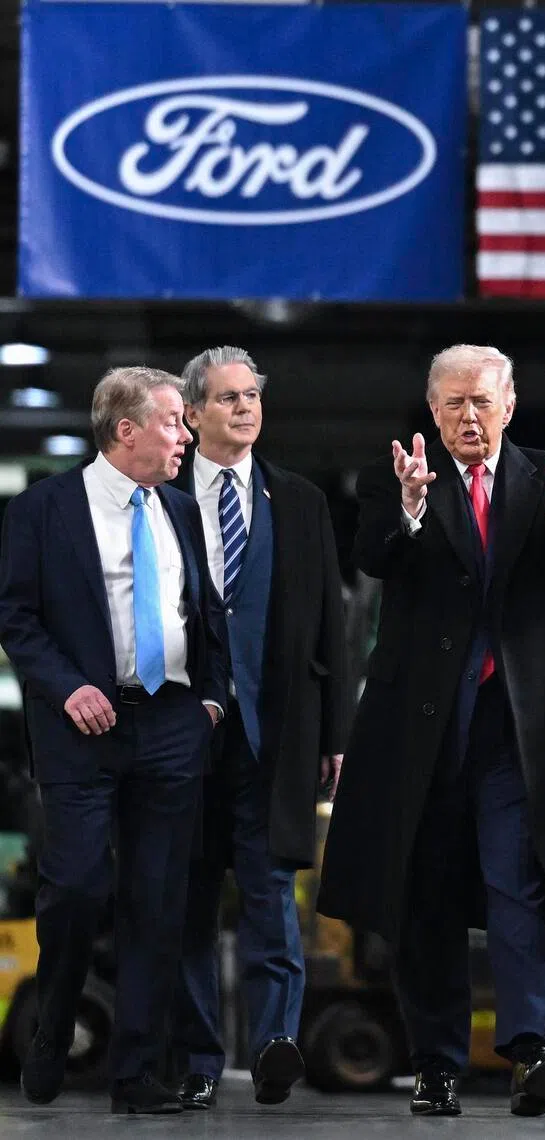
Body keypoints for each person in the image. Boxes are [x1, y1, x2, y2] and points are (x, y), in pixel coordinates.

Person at [317, 344, 545, 1118]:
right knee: (429, 899)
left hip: (517, 728)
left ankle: (531, 1050)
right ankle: (436, 1065)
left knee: (524, 888)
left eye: (481, 401)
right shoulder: (395, 476)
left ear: (509, 405)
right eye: (451, 403)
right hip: (419, 732)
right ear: (432, 410)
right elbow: (373, 552)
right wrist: (412, 510)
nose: (467, 416)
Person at [0, 367, 226, 1114]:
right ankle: (52, 1024)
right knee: (78, 889)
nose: (186, 435)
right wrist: (68, 687)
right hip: (80, 729)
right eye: (172, 422)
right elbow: (17, 619)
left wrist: (213, 702)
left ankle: (134, 1072)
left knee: (158, 902)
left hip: (170, 724)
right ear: (125, 430)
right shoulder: (43, 509)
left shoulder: (185, 510)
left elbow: (204, 613)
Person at [169, 346, 350, 1108]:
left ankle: (276, 1044)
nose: (245, 408)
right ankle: (198, 1060)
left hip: (275, 736)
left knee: (273, 895)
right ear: (192, 413)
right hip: (178, 739)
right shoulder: (159, 493)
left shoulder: (300, 500)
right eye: (227, 398)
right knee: (186, 900)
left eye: (252, 396)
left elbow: (330, 626)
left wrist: (337, 733)